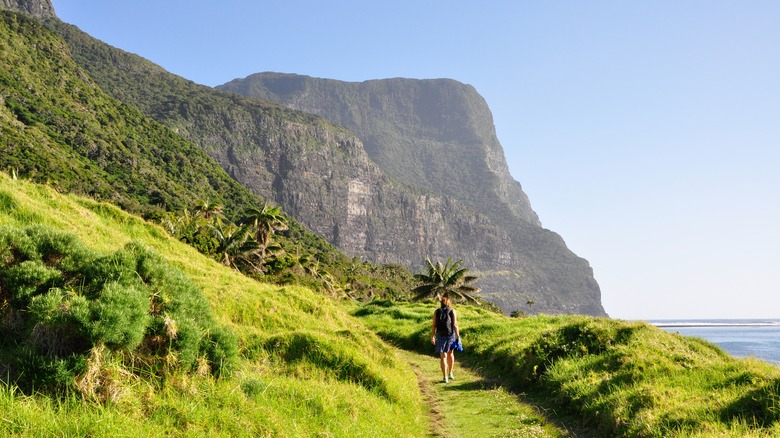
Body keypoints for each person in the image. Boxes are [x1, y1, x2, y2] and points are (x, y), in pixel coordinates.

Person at [431, 295, 460, 383]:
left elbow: (434, 325)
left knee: (443, 356)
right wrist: (458, 337)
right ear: (448, 303)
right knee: (450, 353)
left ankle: (445, 377)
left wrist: (432, 336)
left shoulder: (437, 311)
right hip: (450, 335)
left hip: (440, 335)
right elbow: (454, 325)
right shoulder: (452, 311)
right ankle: (450, 373)